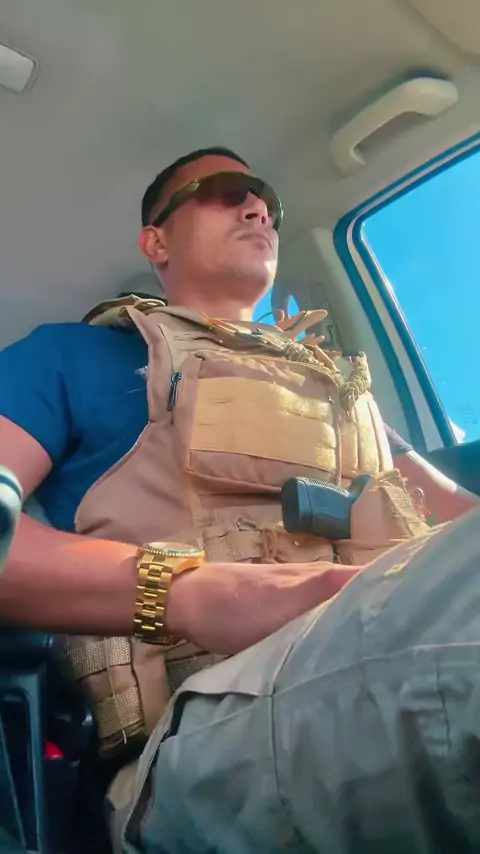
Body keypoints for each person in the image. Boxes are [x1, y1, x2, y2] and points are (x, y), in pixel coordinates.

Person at [0, 147, 478, 853]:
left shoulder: (351, 404)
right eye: (225, 191)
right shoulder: (68, 357)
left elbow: (459, 524)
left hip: (382, 651)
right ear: (156, 242)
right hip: (193, 734)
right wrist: (192, 595)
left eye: (267, 203)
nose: (257, 209)